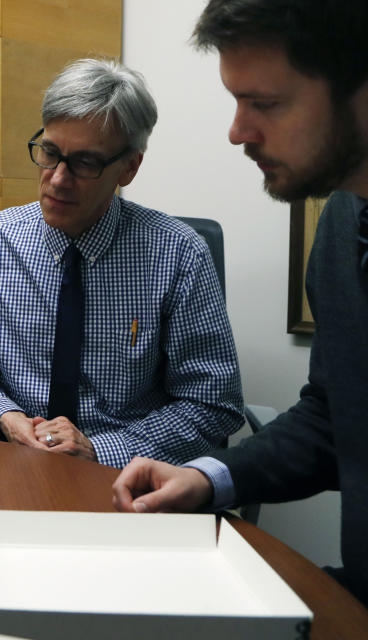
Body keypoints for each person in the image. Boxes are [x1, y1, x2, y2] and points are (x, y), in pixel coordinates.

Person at [112, 0, 368, 607]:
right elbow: (333, 419)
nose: (238, 132)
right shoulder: (341, 227)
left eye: (266, 104)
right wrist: (207, 477)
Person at [0, 59, 243, 468]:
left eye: (85, 162)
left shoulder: (178, 255)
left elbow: (213, 402)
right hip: (18, 463)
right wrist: (5, 417)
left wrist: (101, 451)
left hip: (130, 475)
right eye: (50, 153)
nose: (58, 178)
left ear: (129, 168)